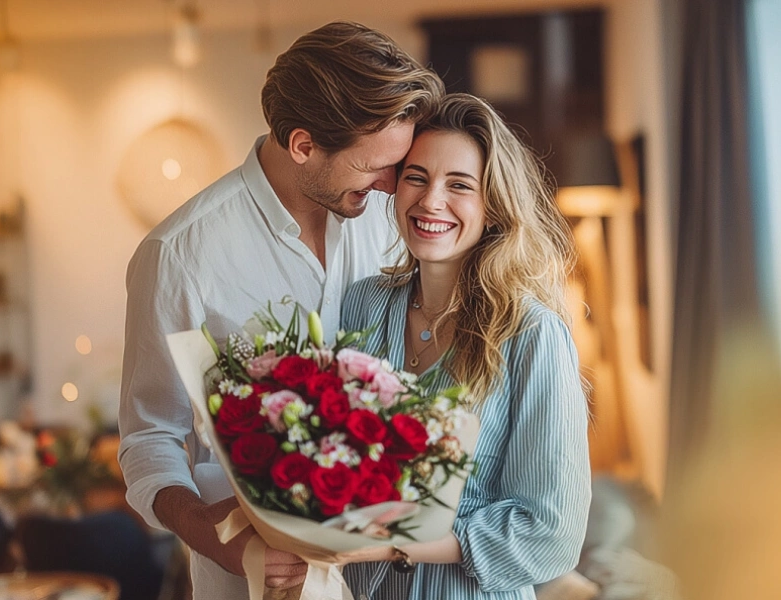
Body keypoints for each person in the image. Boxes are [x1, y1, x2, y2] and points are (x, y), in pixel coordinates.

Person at [117, 21, 443, 598]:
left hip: (392, 576)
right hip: (249, 583)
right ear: (303, 144)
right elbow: (149, 441)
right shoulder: (179, 256)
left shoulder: (390, 224)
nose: (394, 186)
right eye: (375, 169)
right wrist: (226, 543)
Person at [328, 93, 592, 598]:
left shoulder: (532, 333)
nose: (431, 201)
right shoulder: (362, 304)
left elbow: (551, 533)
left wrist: (393, 544)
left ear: (492, 206)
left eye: (459, 186)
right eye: (417, 177)